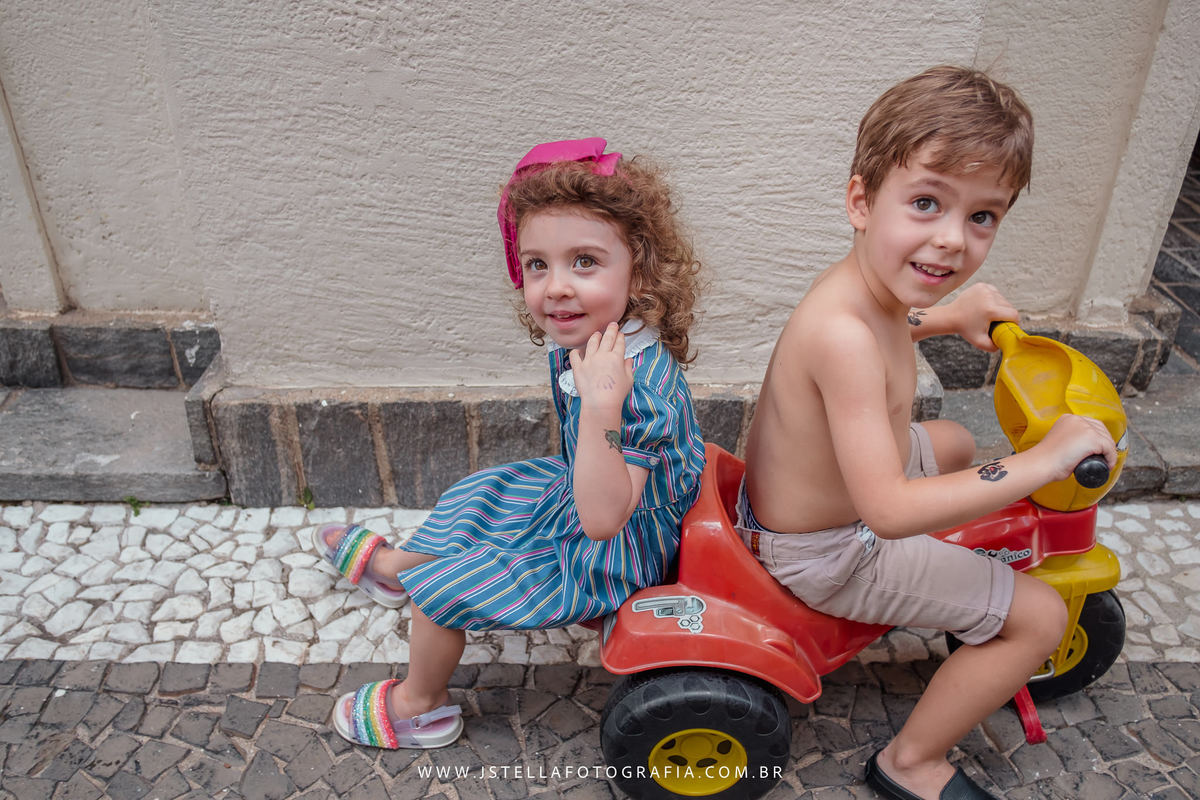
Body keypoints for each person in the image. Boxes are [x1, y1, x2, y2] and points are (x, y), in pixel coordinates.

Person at [739, 67, 1117, 800]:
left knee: (951, 442)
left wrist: (948, 316)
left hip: (810, 496)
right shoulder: (844, 339)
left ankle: (952, 589)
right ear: (860, 200)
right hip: (830, 548)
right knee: (1036, 618)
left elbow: (893, 321)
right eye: (925, 204)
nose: (951, 241)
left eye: (982, 217)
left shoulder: (862, 288)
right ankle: (910, 764)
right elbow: (888, 512)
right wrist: (1043, 460)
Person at [312, 137, 706, 750]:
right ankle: (394, 570)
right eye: (537, 265)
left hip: (621, 547)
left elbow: (604, 521)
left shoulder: (636, 385)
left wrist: (602, 403)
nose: (555, 288)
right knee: (482, 501)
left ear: (641, 268)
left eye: (585, 262)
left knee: (443, 597)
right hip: (587, 487)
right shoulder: (590, 335)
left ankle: (420, 705)